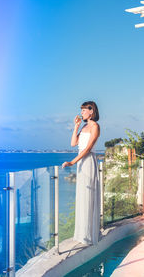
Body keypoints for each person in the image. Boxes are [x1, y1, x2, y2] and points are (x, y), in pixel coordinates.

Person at [62, 101, 101, 245]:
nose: (82, 112)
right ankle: (81, 233)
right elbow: (73, 143)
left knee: (88, 194)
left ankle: (89, 234)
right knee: (82, 195)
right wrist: (76, 126)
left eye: (84, 110)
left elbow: (88, 149)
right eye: (82, 110)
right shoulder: (84, 126)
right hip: (81, 162)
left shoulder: (95, 126)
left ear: (91, 111)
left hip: (88, 161)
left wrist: (72, 162)